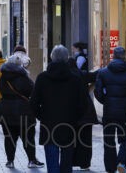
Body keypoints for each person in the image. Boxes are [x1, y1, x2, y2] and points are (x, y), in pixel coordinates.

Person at [31, 45, 87, 173]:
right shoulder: (75, 79)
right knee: (67, 164)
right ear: (67, 59)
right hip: (69, 125)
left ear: (51, 57)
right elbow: (83, 104)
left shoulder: (42, 78)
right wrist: (75, 117)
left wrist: (42, 116)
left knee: (52, 164)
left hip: (49, 124)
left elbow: (33, 103)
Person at [94, 47, 126, 173]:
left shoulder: (103, 72)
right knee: (124, 139)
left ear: (113, 57)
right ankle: (121, 162)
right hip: (124, 112)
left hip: (109, 111)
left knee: (109, 140)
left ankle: (110, 168)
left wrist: (106, 101)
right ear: (124, 57)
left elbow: (97, 92)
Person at [0, 55, 44, 169]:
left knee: (9, 137)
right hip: (24, 111)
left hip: (6, 110)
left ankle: (10, 161)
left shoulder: (3, 77)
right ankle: (31, 160)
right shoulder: (24, 77)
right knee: (28, 137)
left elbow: (0, 90)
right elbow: (32, 91)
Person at [68, 58, 99, 170]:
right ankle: (85, 164)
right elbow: (97, 75)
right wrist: (89, 89)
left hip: (70, 111)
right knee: (86, 139)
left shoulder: (64, 76)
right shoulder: (82, 74)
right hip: (86, 111)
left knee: (70, 138)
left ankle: (70, 161)